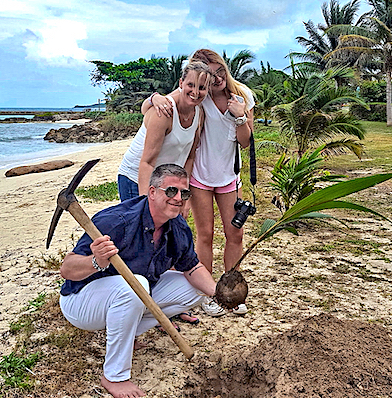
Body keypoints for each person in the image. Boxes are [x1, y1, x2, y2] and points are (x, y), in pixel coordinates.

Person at [59, 164, 218, 398]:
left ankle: (126, 332)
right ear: (152, 192)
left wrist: (218, 293)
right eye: (171, 191)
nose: (178, 199)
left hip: (125, 295)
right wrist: (96, 261)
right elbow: (67, 270)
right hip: (81, 301)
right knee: (137, 286)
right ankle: (114, 376)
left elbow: (192, 267)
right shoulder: (117, 221)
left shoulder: (178, 227)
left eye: (184, 194)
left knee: (193, 288)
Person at [142, 49, 255, 317]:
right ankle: (207, 293)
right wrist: (154, 97)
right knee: (204, 235)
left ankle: (231, 290)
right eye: (210, 73)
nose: (215, 79)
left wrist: (240, 115)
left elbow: (246, 141)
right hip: (201, 178)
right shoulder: (198, 94)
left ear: (225, 70)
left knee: (235, 234)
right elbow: (156, 106)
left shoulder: (243, 96)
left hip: (229, 177)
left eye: (220, 71)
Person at [117, 61, 211, 214]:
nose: (195, 92)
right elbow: (147, 162)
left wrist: (183, 197)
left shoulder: (199, 114)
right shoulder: (164, 112)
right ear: (181, 83)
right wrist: (145, 205)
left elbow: (190, 158)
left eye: (201, 88)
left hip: (165, 182)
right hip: (135, 177)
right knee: (141, 229)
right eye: (190, 85)